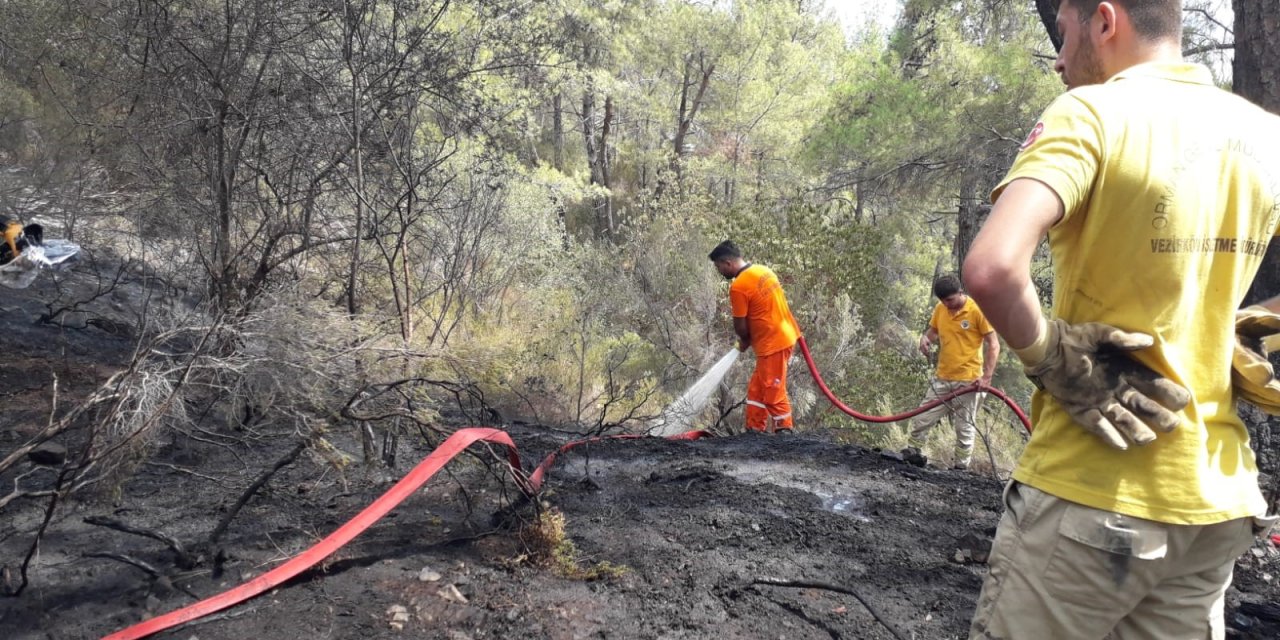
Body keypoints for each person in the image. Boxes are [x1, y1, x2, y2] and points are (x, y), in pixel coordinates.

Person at [961, 0, 1280, 637]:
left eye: (1064, 32)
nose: (1057, 57)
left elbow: (992, 269)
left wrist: (1049, 354)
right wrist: (1248, 323)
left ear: (1105, 21)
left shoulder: (1094, 112)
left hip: (1094, 493)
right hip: (1215, 503)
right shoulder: (1268, 134)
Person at [901, 274, 999, 470]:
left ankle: (960, 468)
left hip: (969, 381)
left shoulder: (977, 311)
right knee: (922, 417)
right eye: (943, 301)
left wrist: (986, 377)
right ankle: (912, 454)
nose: (946, 304)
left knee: (964, 428)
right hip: (943, 378)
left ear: (960, 293)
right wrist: (925, 339)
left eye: (950, 300)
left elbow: (994, 345)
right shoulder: (941, 309)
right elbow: (933, 331)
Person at [708, 240, 801, 434]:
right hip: (784, 334)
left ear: (727, 263)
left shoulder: (739, 286)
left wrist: (744, 339)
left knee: (772, 391)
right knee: (756, 391)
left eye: (718, 267)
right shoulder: (763, 271)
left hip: (773, 343)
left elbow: (740, 326)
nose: (719, 271)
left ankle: (785, 432)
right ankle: (754, 431)